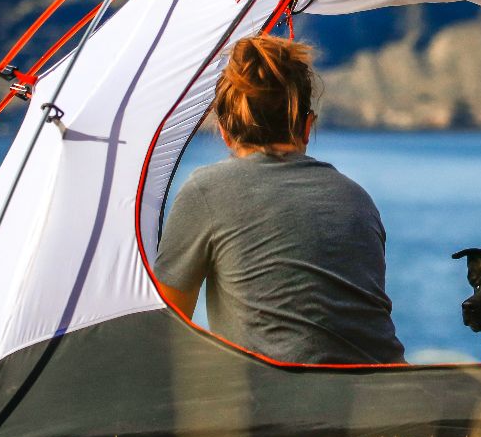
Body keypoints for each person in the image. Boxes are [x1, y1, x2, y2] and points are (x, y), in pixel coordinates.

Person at [154, 35, 405, 365]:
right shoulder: (356, 198)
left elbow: (168, 327)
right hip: (388, 396)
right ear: (306, 126)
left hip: (278, 404)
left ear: (225, 131)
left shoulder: (206, 191)